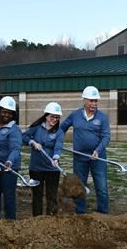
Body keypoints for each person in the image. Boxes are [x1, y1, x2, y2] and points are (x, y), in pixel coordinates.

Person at [60, 86, 110, 214]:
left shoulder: (102, 117)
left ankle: (103, 213)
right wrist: (57, 142)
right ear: (84, 100)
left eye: (96, 101)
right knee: (79, 185)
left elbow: (106, 136)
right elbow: (62, 128)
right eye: (91, 100)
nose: (94, 103)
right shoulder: (75, 115)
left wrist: (98, 151)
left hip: (98, 157)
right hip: (79, 158)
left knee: (102, 186)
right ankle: (80, 212)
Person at [22, 102, 65, 216]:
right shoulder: (36, 128)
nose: (55, 119)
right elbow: (24, 136)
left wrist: (56, 157)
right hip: (36, 168)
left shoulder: (59, 132)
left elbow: (58, 146)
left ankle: (51, 219)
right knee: (37, 196)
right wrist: (32, 142)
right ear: (46, 116)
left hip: (52, 169)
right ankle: (37, 220)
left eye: (57, 117)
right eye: (52, 116)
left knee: (52, 196)